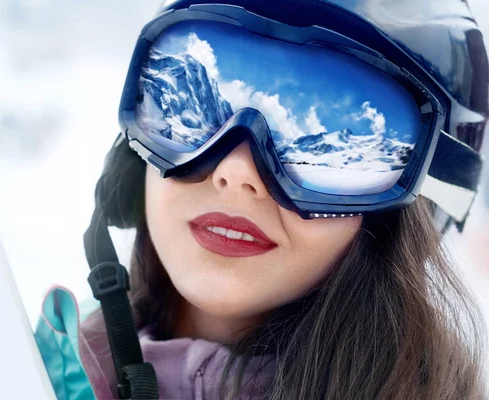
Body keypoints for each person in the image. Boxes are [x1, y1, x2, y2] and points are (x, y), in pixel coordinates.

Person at [35, 0, 489, 398]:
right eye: (188, 119)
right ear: (130, 163)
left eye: (312, 146)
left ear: (406, 216)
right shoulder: (18, 372)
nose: (236, 172)